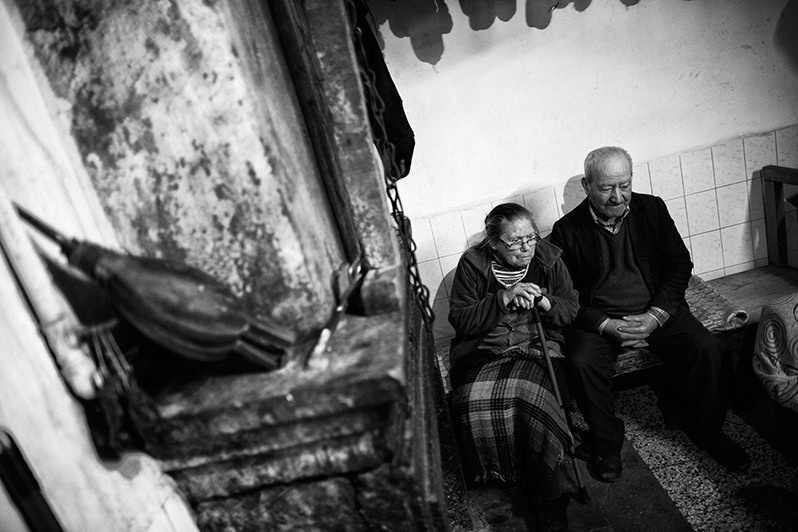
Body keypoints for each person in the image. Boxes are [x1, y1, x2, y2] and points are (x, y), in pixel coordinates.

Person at [548, 146, 751, 483]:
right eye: (606, 188)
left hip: (656, 310)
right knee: (581, 362)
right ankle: (607, 443)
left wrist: (656, 315)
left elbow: (678, 265)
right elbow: (566, 295)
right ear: (587, 185)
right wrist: (605, 324)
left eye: (624, 185)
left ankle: (708, 431)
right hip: (603, 318)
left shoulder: (652, 209)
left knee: (704, 348)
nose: (617, 197)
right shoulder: (567, 230)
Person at [448, 203, 579, 530]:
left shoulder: (549, 258)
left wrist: (545, 301)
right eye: (515, 242)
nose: (526, 247)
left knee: (532, 400)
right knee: (468, 401)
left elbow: (569, 310)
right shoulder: (473, 264)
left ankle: (550, 498)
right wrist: (502, 299)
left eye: (531, 238)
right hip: (485, 351)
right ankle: (505, 475)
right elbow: (460, 320)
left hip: (536, 346)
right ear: (493, 243)